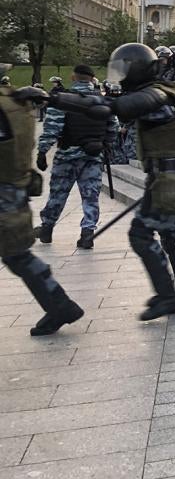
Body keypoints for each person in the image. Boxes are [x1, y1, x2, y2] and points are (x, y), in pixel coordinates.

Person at [49, 44, 175, 320]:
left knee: (141, 235)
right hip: (168, 176)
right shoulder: (170, 91)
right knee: (173, 237)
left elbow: (112, 108)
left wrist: (56, 99)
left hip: (169, 179)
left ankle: (168, 296)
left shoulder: (157, 95)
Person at [3, 74, 84, 336]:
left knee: (18, 256)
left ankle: (60, 305)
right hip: (13, 192)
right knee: (18, 256)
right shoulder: (15, 103)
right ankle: (60, 305)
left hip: (6, 194)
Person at [34, 64, 118, 250]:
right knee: (90, 196)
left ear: (73, 77)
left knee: (58, 194)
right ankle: (87, 234)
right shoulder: (103, 101)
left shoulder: (63, 100)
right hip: (93, 157)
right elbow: (113, 127)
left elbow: (52, 129)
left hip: (67, 155)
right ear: (92, 78)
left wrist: (42, 151)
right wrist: (107, 146)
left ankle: (47, 228)